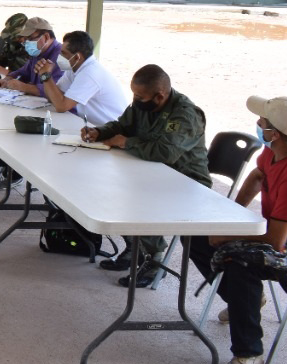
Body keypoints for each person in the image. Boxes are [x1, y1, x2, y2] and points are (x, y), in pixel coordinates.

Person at [189, 95, 287, 364]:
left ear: (274, 133)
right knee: (196, 236)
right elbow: (258, 176)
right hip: (282, 229)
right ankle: (245, 301)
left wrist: (229, 235)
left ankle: (249, 353)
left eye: (263, 122)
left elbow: (276, 241)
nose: (258, 123)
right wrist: (232, 214)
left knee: (242, 262)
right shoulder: (275, 151)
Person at [83, 64, 211, 288]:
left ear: (159, 96)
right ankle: (135, 248)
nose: (135, 100)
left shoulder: (185, 115)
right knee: (109, 187)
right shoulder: (143, 104)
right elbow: (122, 125)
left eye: (140, 96)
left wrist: (126, 142)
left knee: (139, 198)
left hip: (185, 182)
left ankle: (153, 260)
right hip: (151, 171)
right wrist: (100, 132)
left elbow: (165, 152)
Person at [33, 31, 128, 126]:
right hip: (94, 127)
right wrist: (45, 74)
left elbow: (61, 106)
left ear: (77, 57)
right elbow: (53, 97)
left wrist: (46, 76)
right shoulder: (74, 68)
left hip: (112, 129)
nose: (59, 56)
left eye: (63, 53)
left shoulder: (90, 73)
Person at [0, 16, 63, 96]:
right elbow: (22, 72)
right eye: (25, 40)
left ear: (46, 37)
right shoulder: (38, 53)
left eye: (30, 39)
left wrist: (24, 87)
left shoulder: (62, 56)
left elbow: (56, 91)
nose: (27, 44)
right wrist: (7, 79)